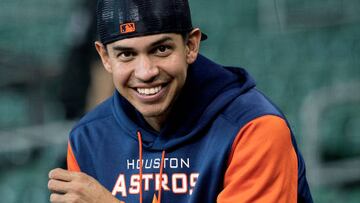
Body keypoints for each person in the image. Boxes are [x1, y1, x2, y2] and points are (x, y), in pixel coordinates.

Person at [48, 0, 313, 202]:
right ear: (105, 58)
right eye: (126, 54)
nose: (146, 72)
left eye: (161, 49)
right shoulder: (88, 138)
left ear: (191, 46)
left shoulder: (255, 128)